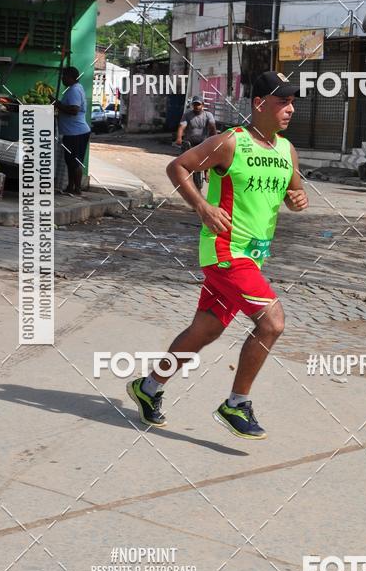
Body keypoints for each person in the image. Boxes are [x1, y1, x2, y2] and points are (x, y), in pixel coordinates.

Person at [127, 71, 308, 440]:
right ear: (259, 104)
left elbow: (295, 190)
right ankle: (236, 403)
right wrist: (201, 207)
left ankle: (147, 388)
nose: (290, 110)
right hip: (226, 251)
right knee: (272, 323)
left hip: (253, 256)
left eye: (292, 103)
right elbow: (177, 166)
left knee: (205, 330)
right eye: (282, 102)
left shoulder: (287, 150)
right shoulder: (229, 143)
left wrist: (298, 199)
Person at [54, 66, 91, 196]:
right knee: (70, 161)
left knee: (75, 162)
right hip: (72, 133)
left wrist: (57, 104)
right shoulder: (75, 88)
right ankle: (71, 187)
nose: (62, 78)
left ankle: (77, 189)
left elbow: (74, 110)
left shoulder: (74, 90)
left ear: (70, 77)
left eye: (64, 76)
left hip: (77, 133)